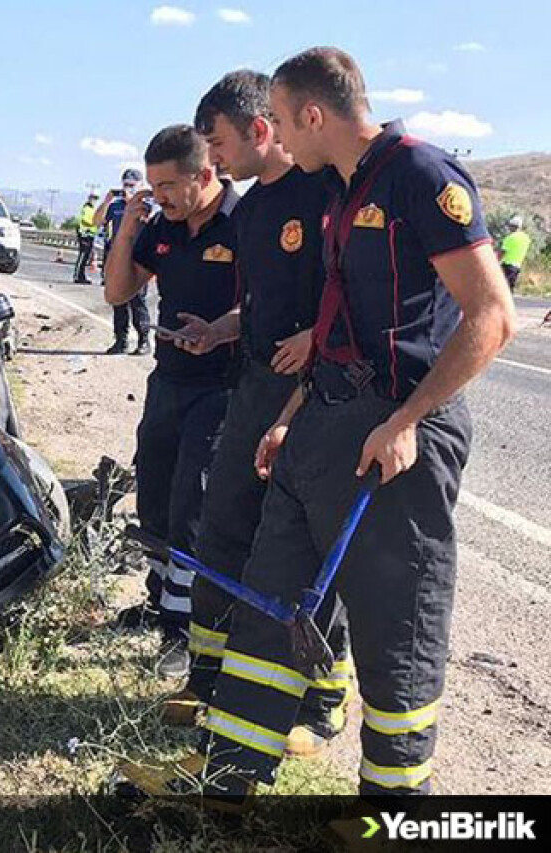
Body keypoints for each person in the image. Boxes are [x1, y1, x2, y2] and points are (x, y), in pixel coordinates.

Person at [119, 47, 515, 805]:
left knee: (395, 622)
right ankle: (229, 777)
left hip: (393, 437)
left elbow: (491, 317)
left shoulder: (420, 176)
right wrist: (292, 416)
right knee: (271, 601)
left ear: (311, 114)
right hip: (319, 422)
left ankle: (393, 805)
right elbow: (339, 325)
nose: (274, 138)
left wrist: (408, 418)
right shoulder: (339, 189)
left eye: (279, 121)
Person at [158, 70, 351, 760]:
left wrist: (317, 339)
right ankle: (209, 677)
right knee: (224, 525)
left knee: (304, 548)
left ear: (260, 130)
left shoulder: (324, 191)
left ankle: (321, 699)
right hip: (255, 384)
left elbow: (349, 291)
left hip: (317, 394)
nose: (211, 160)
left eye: (216, 143)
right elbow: (262, 305)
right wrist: (220, 328)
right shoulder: (253, 211)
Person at [103, 126, 238, 679]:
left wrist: (220, 331)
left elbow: (272, 306)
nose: (159, 197)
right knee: (155, 497)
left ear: (204, 175)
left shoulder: (245, 224)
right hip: (169, 380)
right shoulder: (162, 226)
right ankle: (160, 603)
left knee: (193, 507)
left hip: (222, 387)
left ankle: (186, 632)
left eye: (167, 186)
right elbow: (117, 292)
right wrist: (130, 227)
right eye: (152, 187)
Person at [95, 168, 153, 355]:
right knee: (118, 299)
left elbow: (149, 222)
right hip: (118, 257)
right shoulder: (115, 205)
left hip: (138, 258)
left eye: (132, 185)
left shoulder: (146, 205)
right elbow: (97, 221)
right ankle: (121, 340)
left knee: (137, 300)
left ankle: (144, 340)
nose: (127, 188)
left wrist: (132, 203)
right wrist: (106, 201)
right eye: (125, 184)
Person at [499, 214, 532, 290]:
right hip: (517, 266)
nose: (509, 227)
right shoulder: (526, 238)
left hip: (507, 265)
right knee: (510, 287)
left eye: (510, 226)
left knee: (503, 287)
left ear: (513, 226)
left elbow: (502, 252)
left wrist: (495, 262)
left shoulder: (510, 238)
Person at [73, 193, 99, 284]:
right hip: (84, 234)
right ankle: (77, 276)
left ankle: (81, 275)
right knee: (83, 255)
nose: (94, 200)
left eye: (96, 199)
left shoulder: (92, 209)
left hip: (90, 235)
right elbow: (85, 220)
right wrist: (96, 222)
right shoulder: (86, 208)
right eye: (93, 198)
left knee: (86, 257)